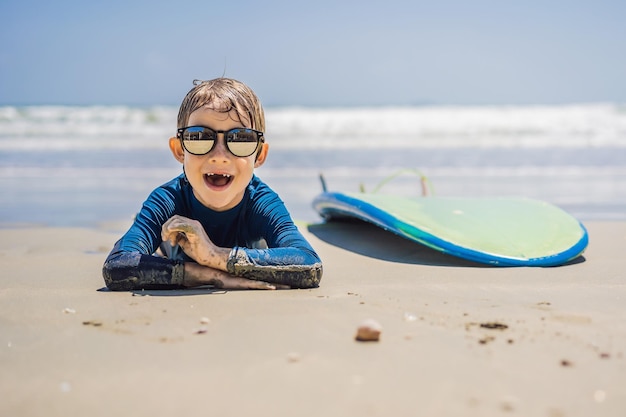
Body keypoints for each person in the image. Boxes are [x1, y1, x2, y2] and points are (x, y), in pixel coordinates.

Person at [102, 78, 323, 291]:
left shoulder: (261, 202)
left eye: (241, 139)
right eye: (199, 137)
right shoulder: (167, 200)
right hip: (169, 248)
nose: (219, 156)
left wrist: (214, 255)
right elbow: (118, 266)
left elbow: (309, 263)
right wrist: (210, 275)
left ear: (259, 155)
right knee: (157, 239)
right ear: (179, 150)